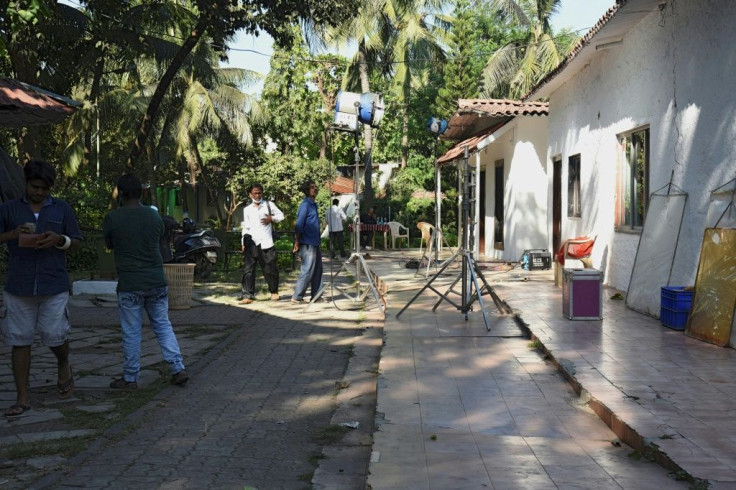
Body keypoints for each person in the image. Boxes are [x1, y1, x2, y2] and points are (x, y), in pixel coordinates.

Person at [0, 159, 82, 416]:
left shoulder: (62, 209)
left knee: (55, 335)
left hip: (53, 282)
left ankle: (63, 363)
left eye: (45, 189)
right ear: (26, 183)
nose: (39, 192)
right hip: (19, 284)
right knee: (19, 340)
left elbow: (77, 240)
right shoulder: (9, 209)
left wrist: (60, 240)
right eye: (35, 187)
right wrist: (13, 235)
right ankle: (22, 397)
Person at [103, 174, 188, 390]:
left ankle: (130, 377)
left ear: (120, 193)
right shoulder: (153, 216)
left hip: (130, 282)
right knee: (162, 325)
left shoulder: (113, 218)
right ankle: (178, 368)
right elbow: (159, 237)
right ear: (142, 192)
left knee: (131, 331)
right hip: (156, 280)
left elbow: (110, 244)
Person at [239, 183, 284, 304]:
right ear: (250, 194)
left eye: (259, 193)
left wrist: (272, 219)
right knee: (248, 270)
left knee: (270, 268)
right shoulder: (247, 209)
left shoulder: (269, 205)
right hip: (251, 242)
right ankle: (248, 295)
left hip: (266, 242)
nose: (257, 195)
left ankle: (274, 292)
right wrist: (243, 241)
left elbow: (281, 215)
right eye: (255, 193)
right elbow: (245, 227)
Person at [292, 180, 322, 303]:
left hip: (315, 242)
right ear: (306, 190)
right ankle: (297, 296)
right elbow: (299, 225)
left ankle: (316, 295)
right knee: (307, 269)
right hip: (307, 242)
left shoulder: (314, 205)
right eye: (311, 188)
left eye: (315, 187)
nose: (314, 189)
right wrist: (297, 241)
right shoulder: (305, 205)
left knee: (317, 270)